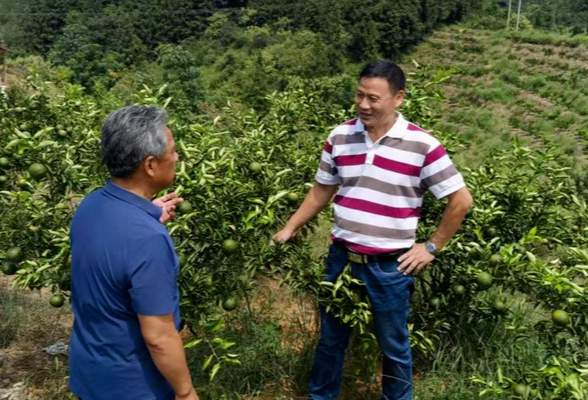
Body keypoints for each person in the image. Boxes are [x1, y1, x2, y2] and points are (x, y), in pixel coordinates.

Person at [273, 61, 473, 400]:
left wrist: (431, 247)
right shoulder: (339, 136)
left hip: (391, 266)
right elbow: (323, 189)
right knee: (331, 340)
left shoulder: (422, 145)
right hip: (342, 260)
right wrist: (290, 227)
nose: (364, 104)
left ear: (398, 98)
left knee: (393, 347)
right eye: (359, 95)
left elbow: (461, 200)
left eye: (373, 98)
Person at [69, 106, 199, 400]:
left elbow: (111, 255)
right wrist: (185, 391)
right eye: (174, 151)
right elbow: (159, 337)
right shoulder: (148, 239)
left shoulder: (90, 206)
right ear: (150, 165)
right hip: (134, 386)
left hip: (89, 374)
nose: (177, 157)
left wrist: (147, 215)